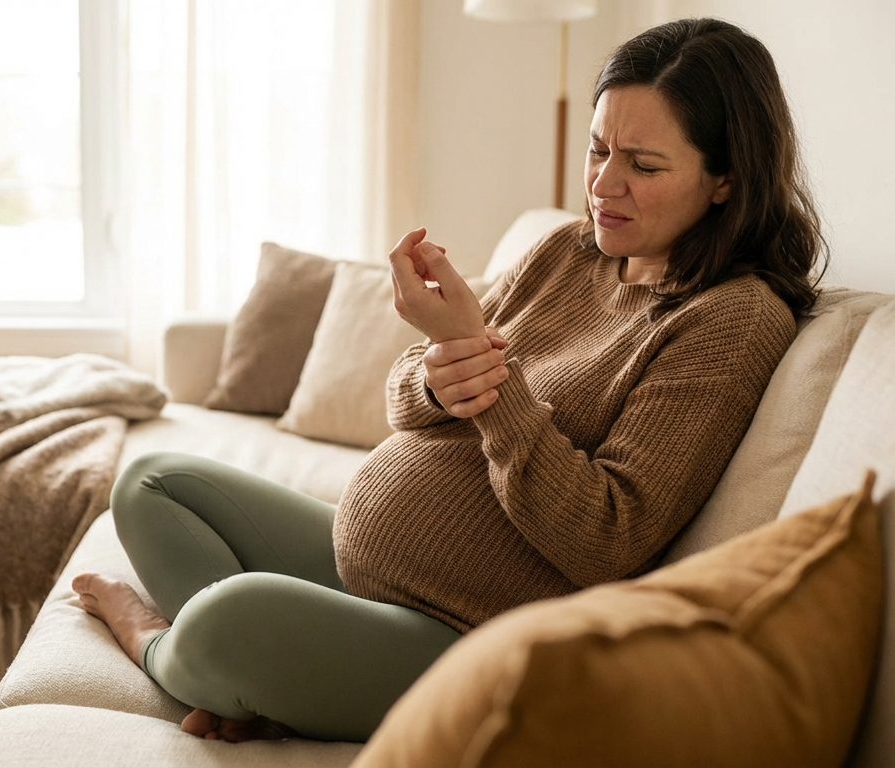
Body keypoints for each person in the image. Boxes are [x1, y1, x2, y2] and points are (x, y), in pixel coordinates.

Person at [73, 16, 826, 743]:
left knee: (227, 619)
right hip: (361, 567)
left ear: (725, 179)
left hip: (465, 639)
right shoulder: (569, 250)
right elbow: (406, 401)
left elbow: (607, 538)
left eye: (644, 165)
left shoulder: (731, 320)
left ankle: (158, 643)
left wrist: (477, 356)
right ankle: (263, 683)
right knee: (153, 482)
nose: (604, 184)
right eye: (599, 151)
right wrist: (438, 373)